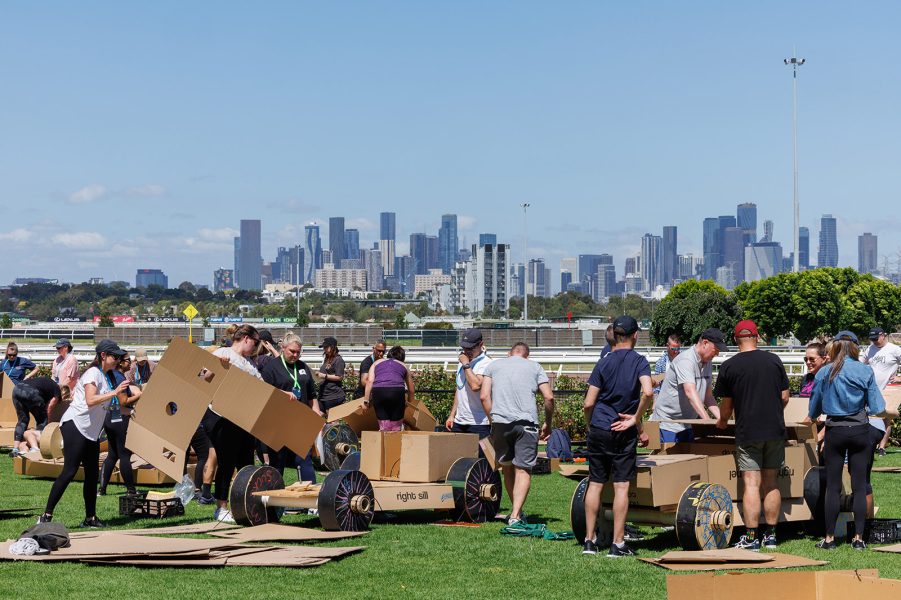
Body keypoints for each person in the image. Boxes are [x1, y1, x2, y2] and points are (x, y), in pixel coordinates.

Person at [805, 331, 886, 551]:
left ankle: (829, 539)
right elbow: (878, 407)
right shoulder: (864, 370)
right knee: (859, 486)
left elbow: (814, 409)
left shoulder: (824, 372)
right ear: (854, 348)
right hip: (860, 430)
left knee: (833, 487)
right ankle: (858, 539)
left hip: (835, 431)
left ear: (834, 347)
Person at [581, 316, 653, 557]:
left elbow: (588, 403)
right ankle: (618, 543)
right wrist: (634, 419)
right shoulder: (640, 361)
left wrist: (591, 426)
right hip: (623, 429)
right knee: (621, 487)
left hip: (600, 427)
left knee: (595, 483)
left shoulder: (604, 361)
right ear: (634, 335)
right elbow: (648, 391)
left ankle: (589, 541)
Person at [714, 320, 790, 551]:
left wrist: (722, 421)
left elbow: (726, 406)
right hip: (775, 430)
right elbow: (785, 396)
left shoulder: (729, 366)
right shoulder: (774, 361)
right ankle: (772, 536)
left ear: (736, 340)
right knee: (771, 482)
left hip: (748, 432)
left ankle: (751, 537)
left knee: (751, 483)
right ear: (757, 337)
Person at [39, 339, 130, 527]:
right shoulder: (93, 373)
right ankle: (46, 516)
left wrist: (130, 411)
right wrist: (114, 393)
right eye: (115, 356)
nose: (118, 360)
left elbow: (110, 406)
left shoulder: (106, 376)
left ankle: (90, 518)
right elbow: (90, 400)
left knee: (91, 475)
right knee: (70, 471)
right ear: (103, 356)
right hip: (75, 426)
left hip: (90, 433)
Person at [480, 342, 554, 526]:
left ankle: (516, 513)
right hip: (527, 423)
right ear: (526, 356)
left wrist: (492, 418)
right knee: (523, 469)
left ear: (509, 353)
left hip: (500, 423)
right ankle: (515, 515)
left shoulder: (494, 365)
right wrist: (548, 423)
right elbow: (549, 397)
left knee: (507, 468)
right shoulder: (535, 367)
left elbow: (484, 396)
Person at [204, 324, 263, 523]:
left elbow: (261, 388)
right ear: (246, 338)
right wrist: (218, 367)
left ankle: (245, 503)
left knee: (246, 462)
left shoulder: (250, 363)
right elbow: (202, 377)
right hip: (221, 416)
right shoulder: (222, 353)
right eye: (254, 344)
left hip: (243, 418)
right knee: (226, 461)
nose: (255, 350)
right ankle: (221, 507)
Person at [260, 332, 320, 483]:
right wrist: (282, 393)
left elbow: (312, 395)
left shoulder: (303, 367)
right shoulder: (271, 367)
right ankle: (274, 501)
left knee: (304, 459)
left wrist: (317, 414)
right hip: (278, 423)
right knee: (277, 462)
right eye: (292, 351)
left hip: (300, 423)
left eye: (298, 352)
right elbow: (264, 392)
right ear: (282, 347)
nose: (295, 355)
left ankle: (310, 500)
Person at [651, 328, 726, 442]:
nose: (717, 353)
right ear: (705, 343)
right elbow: (690, 392)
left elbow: (708, 396)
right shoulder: (686, 360)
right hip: (668, 424)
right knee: (671, 459)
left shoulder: (708, 362)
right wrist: (707, 420)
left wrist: (722, 419)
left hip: (687, 424)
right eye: (716, 349)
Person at [98, 353, 142, 496]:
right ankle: (131, 490)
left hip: (108, 414)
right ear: (120, 362)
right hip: (119, 416)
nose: (131, 363)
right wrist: (139, 395)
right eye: (128, 360)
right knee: (124, 454)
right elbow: (123, 401)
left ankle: (102, 489)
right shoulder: (119, 377)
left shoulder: (110, 374)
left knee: (112, 454)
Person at [860, 327, 899, 457]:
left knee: (885, 417)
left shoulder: (894, 349)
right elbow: (860, 364)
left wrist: (900, 377)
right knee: (870, 416)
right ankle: (870, 443)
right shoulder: (870, 349)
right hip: (871, 389)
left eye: (876, 339)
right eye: (872, 339)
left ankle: (881, 447)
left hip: (888, 388)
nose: (874, 341)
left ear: (884, 335)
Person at [446, 329, 492, 439]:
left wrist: (466, 364)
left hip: (479, 423)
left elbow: (475, 386)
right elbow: (460, 388)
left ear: (481, 344)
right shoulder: (463, 362)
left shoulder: (487, 363)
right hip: (459, 422)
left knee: (480, 456)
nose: (467, 351)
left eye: (470, 348)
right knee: (458, 455)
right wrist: (452, 415)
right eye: (464, 348)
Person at [364, 345, 414, 431]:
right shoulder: (403, 365)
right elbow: (411, 390)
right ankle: (395, 441)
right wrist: (410, 404)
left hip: (379, 391)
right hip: (397, 391)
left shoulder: (376, 363)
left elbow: (369, 382)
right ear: (402, 358)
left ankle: (383, 442)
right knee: (396, 427)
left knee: (383, 426)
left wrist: (366, 402)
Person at [11, 377, 62, 456]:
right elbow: (49, 408)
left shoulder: (44, 383)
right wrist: (49, 427)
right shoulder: (57, 391)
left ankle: (15, 449)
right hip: (31, 392)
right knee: (42, 419)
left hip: (16, 389)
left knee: (22, 420)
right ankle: (38, 446)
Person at [316, 337, 346, 413]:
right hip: (323, 395)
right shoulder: (327, 358)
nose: (324, 349)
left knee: (331, 420)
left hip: (333, 395)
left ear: (332, 347)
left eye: (326, 347)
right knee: (318, 415)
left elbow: (339, 377)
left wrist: (324, 376)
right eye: (323, 347)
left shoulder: (338, 360)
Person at [50, 339, 79, 406]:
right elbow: (53, 376)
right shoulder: (57, 359)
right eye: (57, 348)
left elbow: (69, 379)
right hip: (59, 390)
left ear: (66, 347)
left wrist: (59, 390)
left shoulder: (72, 359)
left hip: (69, 392)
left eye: (59, 348)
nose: (57, 350)